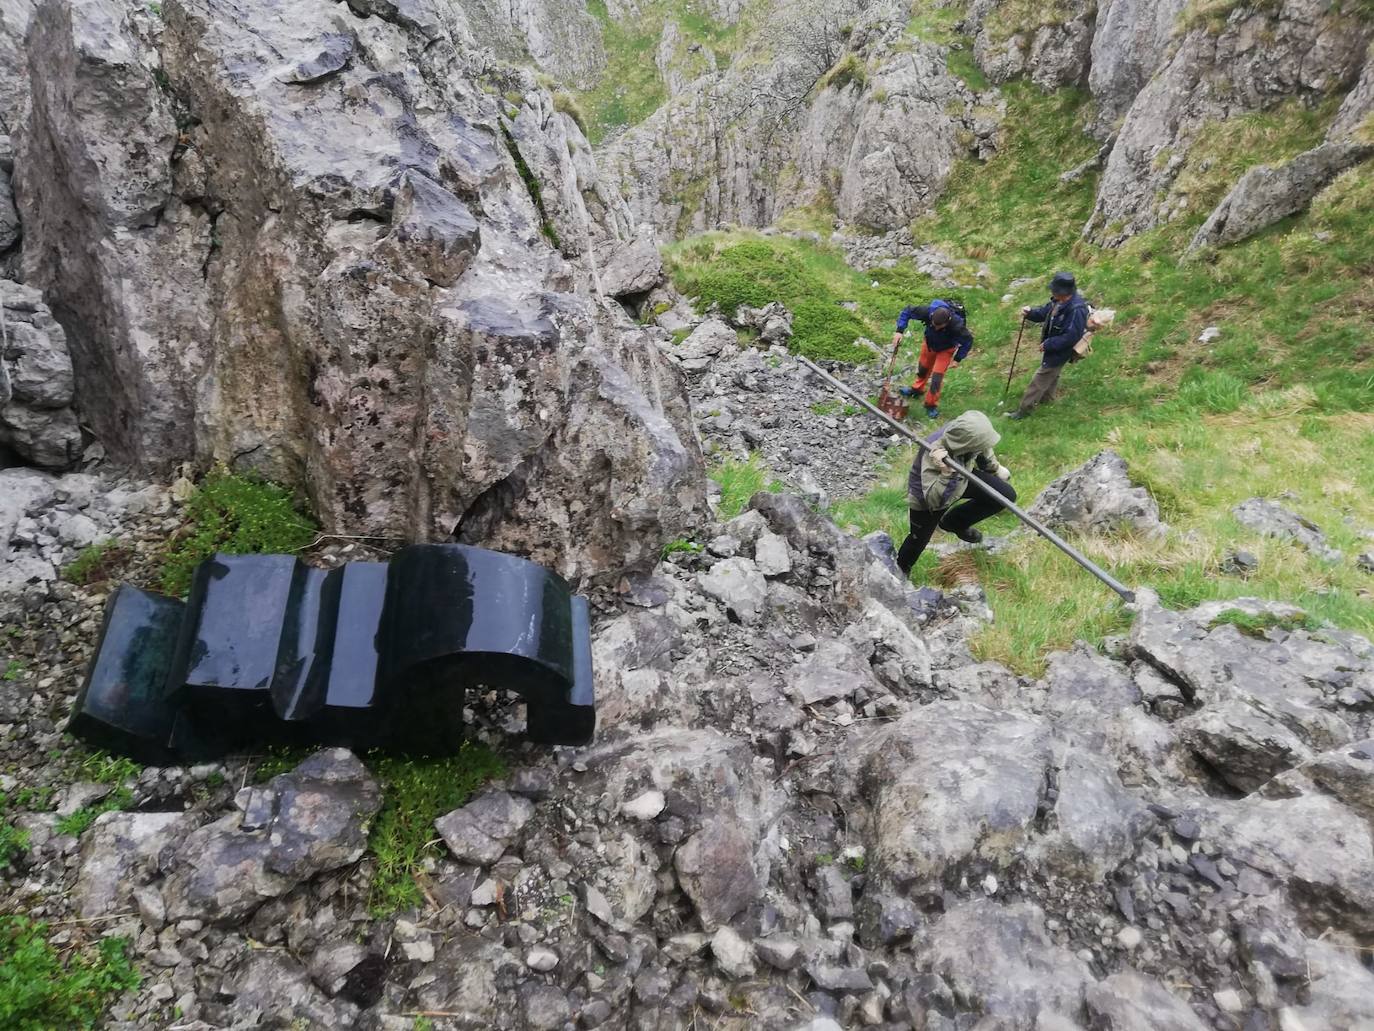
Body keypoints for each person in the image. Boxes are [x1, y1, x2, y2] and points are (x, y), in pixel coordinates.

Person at [897, 410, 1016, 576]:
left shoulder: (966, 434)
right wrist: (947, 472)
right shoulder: (933, 453)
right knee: (918, 540)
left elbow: (982, 448)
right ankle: (900, 571)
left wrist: (994, 468)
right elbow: (934, 501)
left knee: (1004, 495)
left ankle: (954, 522)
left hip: (961, 477)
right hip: (931, 491)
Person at [1007, 271, 1089, 420]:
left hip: (1061, 350)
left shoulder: (1077, 309)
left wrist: (1049, 344)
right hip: (1054, 348)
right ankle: (1047, 399)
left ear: (1063, 292)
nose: (1052, 291)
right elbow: (1044, 312)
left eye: (1054, 289)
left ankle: (1024, 410)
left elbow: (1071, 336)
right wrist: (1030, 313)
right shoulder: (1059, 301)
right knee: (1052, 373)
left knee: (1040, 377)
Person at [890, 300, 973, 420]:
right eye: (934, 324)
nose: (936, 327)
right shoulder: (927, 312)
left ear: (947, 322)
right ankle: (916, 390)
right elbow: (907, 311)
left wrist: (957, 359)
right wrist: (899, 331)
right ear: (932, 317)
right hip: (929, 343)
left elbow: (968, 341)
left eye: (940, 326)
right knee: (923, 368)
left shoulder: (957, 326)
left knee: (936, 378)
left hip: (946, 349)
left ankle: (931, 405)